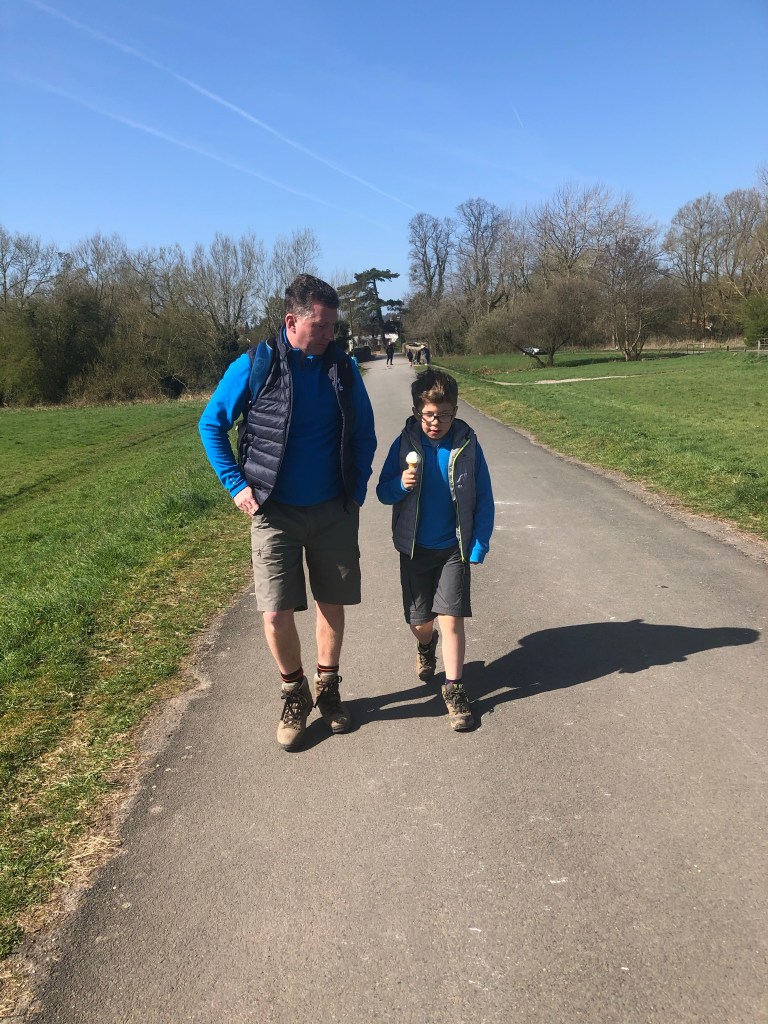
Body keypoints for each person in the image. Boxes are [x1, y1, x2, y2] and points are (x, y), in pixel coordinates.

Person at [199, 275, 377, 751]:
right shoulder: (255, 365)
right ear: (291, 321)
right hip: (274, 511)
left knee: (331, 603)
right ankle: (294, 690)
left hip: (333, 509)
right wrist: (236, 485)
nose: (329, 335)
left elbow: (365, 433)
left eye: (333, 326)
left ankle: (329, 687)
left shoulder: (343, 367)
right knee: (276, 612)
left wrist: (356, 490)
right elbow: (211, 423)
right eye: (321, 326)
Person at [376, 368, 494, 731]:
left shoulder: (468, 447)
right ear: (416, 412)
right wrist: (400, 483)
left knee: (452, 619)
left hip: (453, 548)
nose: (436, 422)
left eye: (444, 414)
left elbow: (484, 497)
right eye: (429, 414)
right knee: (421, 623)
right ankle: (426, 646)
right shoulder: (404, 446)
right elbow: (382, 492)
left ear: (454, 411)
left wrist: (478, 543)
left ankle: (455, 688)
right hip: (414, 549)